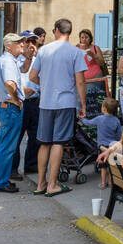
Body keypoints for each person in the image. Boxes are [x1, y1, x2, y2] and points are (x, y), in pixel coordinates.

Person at [28, 18, 87, 198]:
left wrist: (44, 85)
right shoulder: (75, 52)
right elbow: (80, 81)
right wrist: (83, 104)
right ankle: (53, 184)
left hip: (46, 101)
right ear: (70, 32)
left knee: (44, 142)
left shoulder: (43, 50)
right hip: (65, 101)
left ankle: (41, 183)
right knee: (58, 142)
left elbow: (32, 76)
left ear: (56, 30)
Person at [0, 33, 26, 193]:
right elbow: (10, 83)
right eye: (18, 43)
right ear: (8, 46)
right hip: (10, 107)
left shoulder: (5, 60)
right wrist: (16, 99)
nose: (22, 45)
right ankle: (0, 182)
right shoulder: (8, 62)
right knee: (7, 148)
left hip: (4, 106)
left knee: (2, 146)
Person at [11, 31, 40, 183]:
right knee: (16, 137)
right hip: (20, 103)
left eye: (34, 42)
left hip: (35, 103)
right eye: (28, 41)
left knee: (35, 137)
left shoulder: (39, 60)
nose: (31, 45)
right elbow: (22, 72)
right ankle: (13, 169)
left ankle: (31, 165)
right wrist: (28, 57)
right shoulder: (17, 60)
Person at [77, 29, 108, 117]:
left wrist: (93, 55)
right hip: (82, 78)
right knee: (82, 98)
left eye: (86, 37)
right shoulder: (76, 48)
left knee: (94, 98)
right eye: (82, 37)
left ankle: (94, 116)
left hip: (96, 77)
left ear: (90, 38)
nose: (84, 39)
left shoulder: (95, 48)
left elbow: (102, 62)